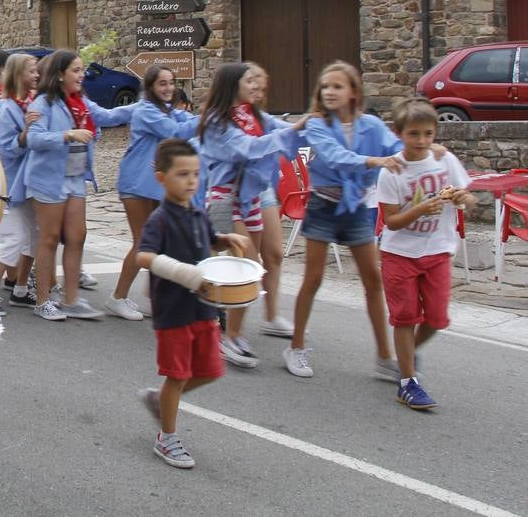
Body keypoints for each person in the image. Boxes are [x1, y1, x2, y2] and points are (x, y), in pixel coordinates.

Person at [284, 61, 405, 379]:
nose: (329, 91)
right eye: (325, 86)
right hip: (323, 206)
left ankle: (384, 356)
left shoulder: (372, 126)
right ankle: (295, 347)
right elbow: (332, 155)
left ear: (353, 91)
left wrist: (426, 150)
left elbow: (399, 149)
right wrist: (373, 160)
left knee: (373, 280)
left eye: (337, 86)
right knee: (313, 279)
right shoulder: (316, 125)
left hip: (356, 208)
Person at [135, 139, 248, 469]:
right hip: (173, 312)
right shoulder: (160, 219)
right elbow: (144, 255)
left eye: (196, 174)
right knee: (178, 375)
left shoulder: (197, 211)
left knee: (212, 370)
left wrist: (227, 240)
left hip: (203, 308)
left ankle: (160, 399)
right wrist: (185, 273)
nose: (191, 181)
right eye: (182, 174)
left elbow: (210, 240)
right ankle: (166, 437)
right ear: (162, 178)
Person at [197, 62, 307, 367]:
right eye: (249, 80)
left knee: (250, 269)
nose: (255, 84)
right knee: (246, 266)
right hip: (224, 199)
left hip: (250, 199)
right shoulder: (219, 121)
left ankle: (231, 333)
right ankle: (228, 336)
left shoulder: (251, 114)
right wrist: (297, 128)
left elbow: (281, 130)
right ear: (233, 85)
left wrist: (315, 125)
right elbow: (247, 148)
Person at [375, 98, 475, 410]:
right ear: (399, 133)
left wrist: (462, 197)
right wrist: (419, 208)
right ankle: (407, 382)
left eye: (428, 134)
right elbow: (390, 221)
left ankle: (406, 355)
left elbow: (469, 200)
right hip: (399, 254)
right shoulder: (392, 170)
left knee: (436, 317)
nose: (422, 141)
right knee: (404, 318)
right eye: (414, 134)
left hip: (438, 250)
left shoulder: (444, 161)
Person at [24, 49, 133, 321]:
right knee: (49, 239)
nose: (82, 75)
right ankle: (43, 300)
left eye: (82, 70)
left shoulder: (81, 102)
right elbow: (34, 140)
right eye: (76, 70)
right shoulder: (43, 104)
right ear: (60, 74)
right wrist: (67, 134)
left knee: (78, 235)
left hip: (75, 177)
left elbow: (109, 117)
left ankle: (72, 300)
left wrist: (149, 102)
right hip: (48, 178)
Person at [109, 66, 199, 320]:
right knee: (142, 242)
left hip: (153, 185)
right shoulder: (147, 110)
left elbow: (188, 121)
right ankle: (118, 298)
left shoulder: (168, 110)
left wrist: (207, 118)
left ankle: (154, 298)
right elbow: (177, 132)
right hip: (136, 183)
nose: (169, 88)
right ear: (150, 87)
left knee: (158, 242)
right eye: (162, 84)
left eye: (171, 83)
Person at [0, 53, 41, 310]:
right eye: (32, 71)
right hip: (14, 181)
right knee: (13, 238)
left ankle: (20, 288)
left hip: (31, 181)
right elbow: (8, 148)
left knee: (34, 236)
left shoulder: (34, 103)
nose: (37, 75)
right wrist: (27, 132)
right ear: (19, 74)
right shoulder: (8, 109)